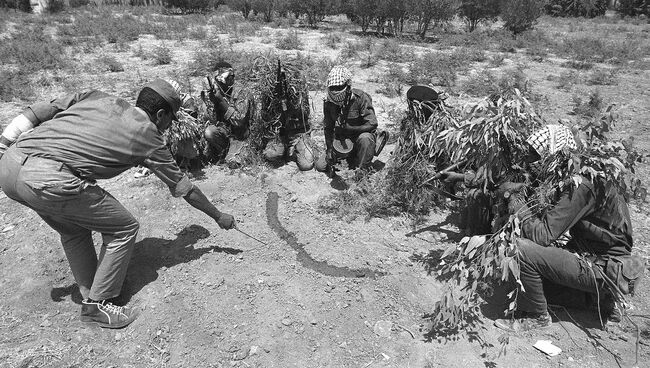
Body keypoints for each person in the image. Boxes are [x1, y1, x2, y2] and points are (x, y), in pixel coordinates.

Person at [0, 79, 237, 329]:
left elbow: (37, 111)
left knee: (73, 229)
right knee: (124, 227)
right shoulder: (150, 137)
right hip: (48, 179)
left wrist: (3, 145)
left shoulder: (96, 96)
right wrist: (218, 215)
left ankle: (92, 290)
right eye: (170, 119)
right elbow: (184, 188)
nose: (169, 126)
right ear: (159, 114)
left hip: (10, 166)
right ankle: (97, 306)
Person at [491, 124, 640, 332]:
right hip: (596, 258)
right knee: (522, 282)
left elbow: (542, 235)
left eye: (536, 156)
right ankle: (601, 300)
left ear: (553, 153)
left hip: (603, 266)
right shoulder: (579, 175)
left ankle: (537, 317)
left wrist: (517, 205)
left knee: (521, 251)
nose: (529, 162)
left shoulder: (581, 186)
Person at [315, 65, 378, 174]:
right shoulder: (328, 102)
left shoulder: (361, 98)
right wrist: (329, 149)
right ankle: (348, 158)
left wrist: (351, 128)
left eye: (339, 88)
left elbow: (372, 124)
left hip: (359, 138)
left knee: (366, 138)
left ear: (348, 85)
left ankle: (362, 171)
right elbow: (328, 128)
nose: (335, 91)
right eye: (332, 88)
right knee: (320, 166)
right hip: (341, 141)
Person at [262, 61, 315, 171]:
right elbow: (265, 117)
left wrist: (291, 103)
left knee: (306, 165)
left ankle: (293, 151)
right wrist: (276, 103)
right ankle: (286, 150)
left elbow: (306, 114)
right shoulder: (269, 92)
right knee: (271, 155)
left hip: (299, 134)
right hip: (279, 134)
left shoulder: (299, 91)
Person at [202, 61, 254, 167]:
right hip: (227, 133)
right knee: (209, 132)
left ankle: (233, 154)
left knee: (234, 164)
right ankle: (224, 152)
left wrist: (221, 100)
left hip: (242, 136)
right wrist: (211, 101)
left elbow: (239, 121)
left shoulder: (241, 92)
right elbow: (212, 120)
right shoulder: (218, 91)